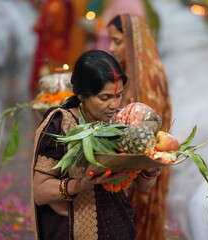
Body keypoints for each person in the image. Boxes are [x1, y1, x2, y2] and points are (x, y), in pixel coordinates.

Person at [31, 50, 163, 240]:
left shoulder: (123, 122)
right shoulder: (62, 124)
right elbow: (40, 192)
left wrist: (152, 164)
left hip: (117, 224)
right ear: (83, 95)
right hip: (71, 230)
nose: (115, 104)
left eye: (119, 95)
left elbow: (144, 187)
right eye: (105, 97)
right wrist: (79, 184)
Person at [107, 14, 172, 240]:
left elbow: (148, 134)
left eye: (117, 41)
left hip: (143, 165)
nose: (110, 48)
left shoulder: (149, 79)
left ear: (134, 42)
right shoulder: (126, 73)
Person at [28, 0, 89, 96]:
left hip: (56, 48)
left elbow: (54, 27)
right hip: (51, 47)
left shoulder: (57, 5)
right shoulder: (54, 3)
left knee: (55, 85)